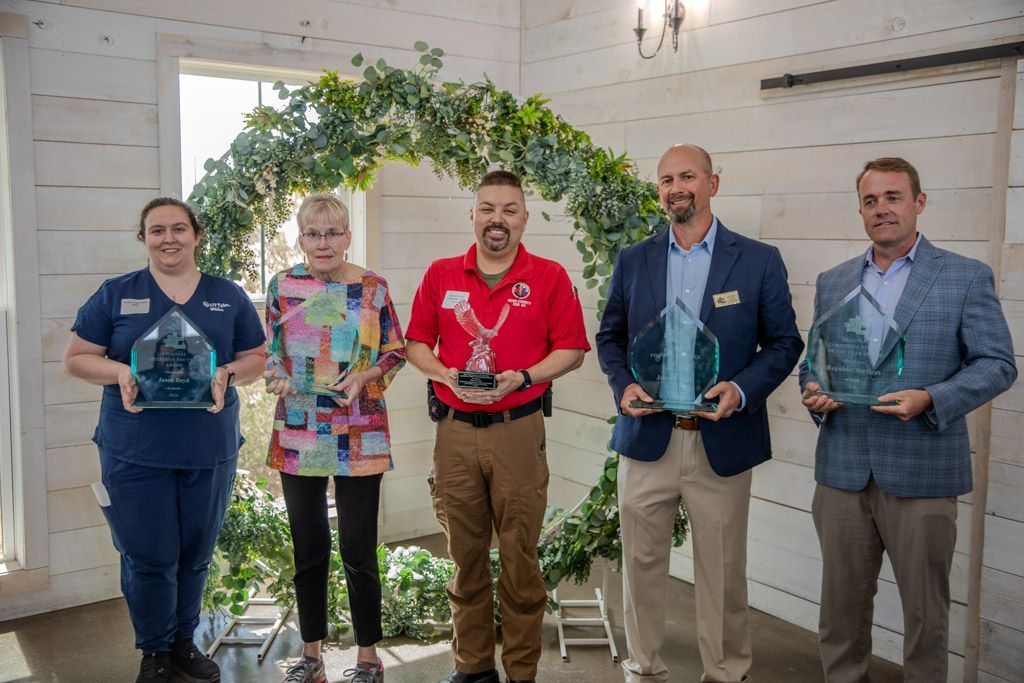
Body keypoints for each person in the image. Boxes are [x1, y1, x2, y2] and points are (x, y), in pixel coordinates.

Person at [799, 157, 1017, 682]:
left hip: (922, 471)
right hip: (843, 469)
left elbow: (998, 364)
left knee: (926, 619)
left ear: (919, 202)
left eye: (893, 197)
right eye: (871, 201)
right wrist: (812, 388)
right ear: (860, 210)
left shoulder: (964, 276)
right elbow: (816, 358)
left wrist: (932, 397)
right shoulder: (834, 281)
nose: (882, 209)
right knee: (840, 614)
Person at [595, 144, 804, 683]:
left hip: (722, 441)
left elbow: (784, 343)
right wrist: (622, 386)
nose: (675, 187)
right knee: (640, 565)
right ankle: (643, 666)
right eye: (665, 179)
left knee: (723, 572)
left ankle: (727, 672)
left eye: (687, 176)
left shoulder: (758, 259)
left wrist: (741, 387)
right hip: (647, 437)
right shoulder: (634, 259)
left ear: (714, 183)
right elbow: (610, 337)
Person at [63, 197, 267, 683]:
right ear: (144, 239)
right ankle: (153, 651)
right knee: (147, 555)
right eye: (157, 231)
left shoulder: (227, 295)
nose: (168, 239)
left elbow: (256, 356)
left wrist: (228, 374)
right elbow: (76, 357)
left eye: (178, 229)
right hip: (135, 450)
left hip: (207, 448)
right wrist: (119, 372)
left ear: (196, 235)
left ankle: (183, 643)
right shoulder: (117, 294)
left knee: (195, 554)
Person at [404, 170, 590, 683]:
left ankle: (522, 671)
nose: (497, 219)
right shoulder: (441, 275)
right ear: (473, 215)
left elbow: (572, 349)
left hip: (518, 430)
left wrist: (524, 377)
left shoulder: (549, 277)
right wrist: (444, 374)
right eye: (488, 208)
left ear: (524, 218)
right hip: (456, 432)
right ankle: (473, 667)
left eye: (509, 210)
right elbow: (415, 342)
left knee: (519, 556)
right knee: (465, 557)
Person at [265, 193, 406, 683]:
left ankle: (369, 657)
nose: (322, 243)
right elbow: (270, 351)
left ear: (347, 236)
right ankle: (311, 655)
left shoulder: (373, 288)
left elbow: (395, 351)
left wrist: (365, 378)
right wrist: (276, 375)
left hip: (361, 431)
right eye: (312, 233)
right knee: (308, 548)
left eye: (332, 233)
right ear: (300, 237)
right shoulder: (282, 286)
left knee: (359, 549)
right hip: (300, 430)